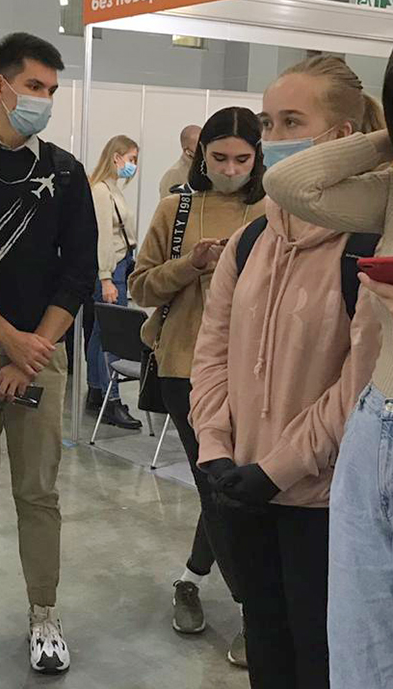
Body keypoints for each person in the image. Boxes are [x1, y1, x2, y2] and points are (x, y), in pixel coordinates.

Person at [190, 54, 383, 689]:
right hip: (241, 488)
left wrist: (279, 469)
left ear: (343, 138)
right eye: (268, 122)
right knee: (266, 651)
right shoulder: (251, 241)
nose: (272, 138)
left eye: (292, 122)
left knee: (322, 661)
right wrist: (215, 448)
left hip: (324, 503)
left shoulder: (367, 246)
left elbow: (359, 384)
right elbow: (212, 351)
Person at [0, 32, 97, 674]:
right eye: (34, 86)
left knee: (38, 492)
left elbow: (77, 273)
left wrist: (31, 351)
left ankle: (44, 611)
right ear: (0, 87)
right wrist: (8, 339)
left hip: (40, 355)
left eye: (52, 90)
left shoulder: (67, 172)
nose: (44, 100)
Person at [262, 53, 393, 689]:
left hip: (352, 430)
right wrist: (386, 138)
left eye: (290, 121)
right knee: (356, 652)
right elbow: (292, 184)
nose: (273, 135)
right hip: (376, 422)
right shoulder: (388, 187)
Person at [130, 107, 266, 666]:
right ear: (200, 155)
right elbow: (140, 286)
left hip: (256, 372)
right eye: (219, 158)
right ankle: (255, 611)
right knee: (216, 486)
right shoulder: (177, 208)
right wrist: (190, 265)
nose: (230, 169)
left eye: (242, 158)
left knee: (236, 488)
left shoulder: (273, 209)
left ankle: (191, 578)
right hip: (185, 369)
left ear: (257, 157)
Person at [85, 135, 141, 429]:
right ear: (116, 157)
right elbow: (103, 238)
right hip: (111, 269)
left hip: (119, 265)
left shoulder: (111, 189)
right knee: (113, 335)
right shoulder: (101, 191)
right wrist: (106, 277)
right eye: (131, 159)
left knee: (100, 333)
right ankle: (112, 399)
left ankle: (97, 392)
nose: (133, 165)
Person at [159, 125, 201, 198]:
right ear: (186, 150)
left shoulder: (204, 169)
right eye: (198, 146)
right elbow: (169, 203)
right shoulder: (174, 174)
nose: (203, 148)